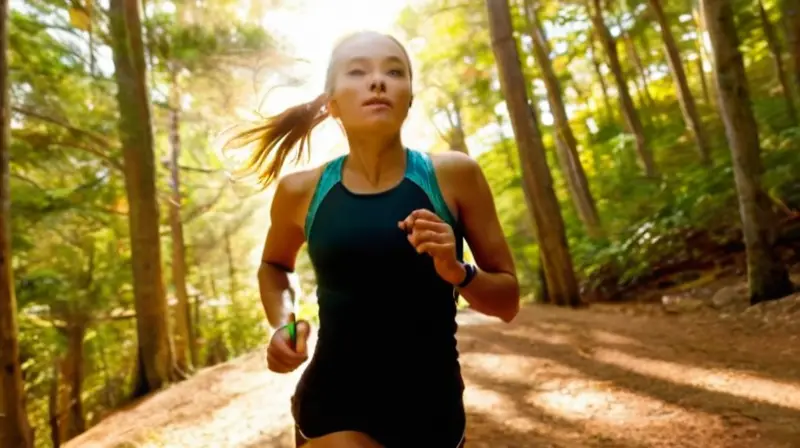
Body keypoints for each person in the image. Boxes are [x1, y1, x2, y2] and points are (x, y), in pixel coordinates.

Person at [225, 30, 520, 448]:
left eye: (394, 71)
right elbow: (274, 266)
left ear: (410, 98)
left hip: (432, 413)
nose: (378, 81)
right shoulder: (300, 191)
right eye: (358, 71)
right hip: (333, 404)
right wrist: (283, 325)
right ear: (332, 104)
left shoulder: (454, 176)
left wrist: (458, 270)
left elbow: (507, 302)